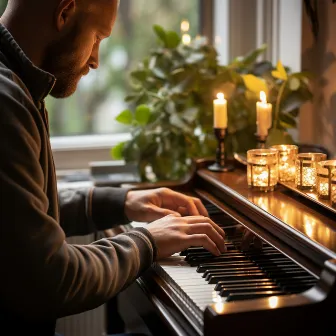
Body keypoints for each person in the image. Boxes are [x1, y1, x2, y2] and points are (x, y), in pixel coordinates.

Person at [0, 0, 227, 335]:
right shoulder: (6, 100)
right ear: (64, 13)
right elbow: (52, 280)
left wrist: (120, 202)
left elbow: (18, 214)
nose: (95, 60)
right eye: (97, 37)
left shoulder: (17, 85)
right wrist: (147, 241)